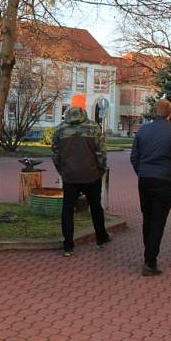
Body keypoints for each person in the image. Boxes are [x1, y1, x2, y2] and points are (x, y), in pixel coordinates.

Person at [130, 98, 171, 276]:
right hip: (165, 181)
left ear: (155, 112)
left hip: (146, 179)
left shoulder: (142, 131)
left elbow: (134, 157)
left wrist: (142, 172)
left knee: (148, 217)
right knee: (158, 221)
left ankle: (149, 255)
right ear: (170, 113)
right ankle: (150, 260)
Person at [51, 93, 110, 257]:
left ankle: (68, 245)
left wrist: (62, 172)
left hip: (69, 176)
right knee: (96, 207)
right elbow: (101, 153)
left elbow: (55, 155)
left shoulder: (60, 129)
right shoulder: (93, 128)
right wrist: (101, 170)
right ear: (84, 111)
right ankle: (101, 238)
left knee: (67, 209)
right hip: (91, 175)